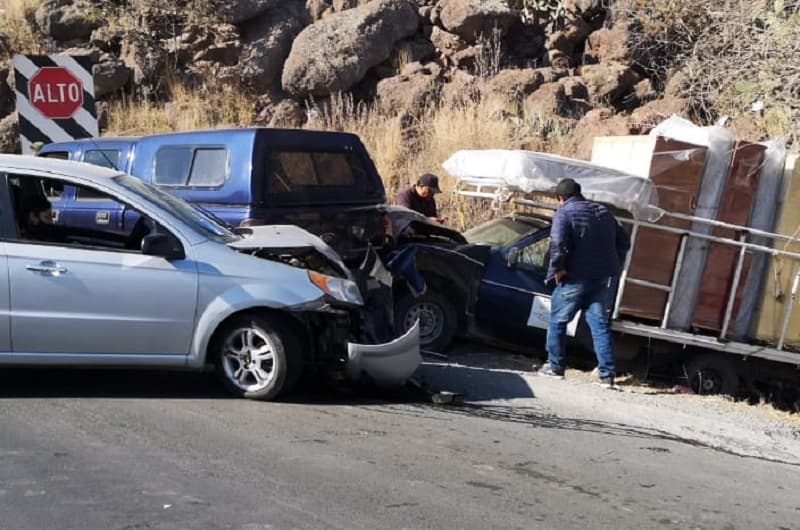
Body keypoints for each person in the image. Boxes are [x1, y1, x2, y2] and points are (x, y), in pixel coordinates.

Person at [537, 178, 630, 387]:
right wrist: (613, 268)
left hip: (574, 278)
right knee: (599, 326)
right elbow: (624, 242)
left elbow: (558, 244)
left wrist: (557, 270)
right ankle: (607, 376)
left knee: (558, 321)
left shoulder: (564, 213)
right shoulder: (604, 212)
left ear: (560, 199)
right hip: (600, 280)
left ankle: (555, 367)